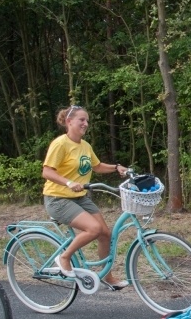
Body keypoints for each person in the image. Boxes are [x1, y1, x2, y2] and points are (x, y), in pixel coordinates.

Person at [42, 104, 129, 289]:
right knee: (94, 229)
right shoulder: (60, 144)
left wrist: (116, 167)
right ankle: (64, 257)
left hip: (79, 197)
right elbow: (47, 172)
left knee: (106, 234)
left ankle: (107, 276)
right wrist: (68, 182)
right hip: (58, 198)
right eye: (82, 120)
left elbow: (96, 166)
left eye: (87, 120)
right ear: (69, 121)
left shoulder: (85, 146)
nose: (86, 123)